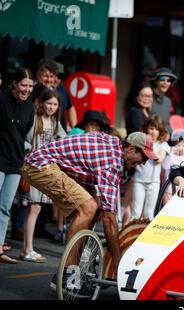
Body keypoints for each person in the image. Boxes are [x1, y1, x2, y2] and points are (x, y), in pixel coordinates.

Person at [21, 131, 158, 285]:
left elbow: (85, 167)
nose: (144, 163)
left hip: (42, 164)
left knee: (91, 209)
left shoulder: (113, 145)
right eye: (144, 157)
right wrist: (118, 260)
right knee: (89, 208)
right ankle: (68, 275)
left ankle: (73, 271)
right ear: (131, 149)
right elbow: (109, 219)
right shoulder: (113, 162)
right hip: (41, 165)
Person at [20, 89, 66, 262]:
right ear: (41, 103)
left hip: (45, 169)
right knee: (35, 207)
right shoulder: (35, 119)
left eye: (55, 104)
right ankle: (28, 249)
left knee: (35, 208)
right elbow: (24, 139)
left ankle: (26, 248)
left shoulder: (55, 123)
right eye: (49, 103)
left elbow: (64, 139)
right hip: (33, 167)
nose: (52, 107)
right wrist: (30, 150)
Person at [0, 68, 35, 264]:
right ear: (14, 84)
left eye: (30, 86)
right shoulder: (2, 99)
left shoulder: (29, 108)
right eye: (24, 85)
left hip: (15, 163)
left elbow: (24, 135)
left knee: (5, 207)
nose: (27, 89)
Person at [131, 115, 170, 220]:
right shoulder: (140, 143)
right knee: (136, 212)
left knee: (149, 213)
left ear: (160, 131)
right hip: (139, 181)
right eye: (151, 128)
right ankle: (131, 235)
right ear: (146, 129)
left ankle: (146, 235)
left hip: (154, 183)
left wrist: (148, 149)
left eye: (157, 129)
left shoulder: (163, 144)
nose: (153, 132)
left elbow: (159, 159)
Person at [161, 131, 184, 206]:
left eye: (183, 146)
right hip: (168, 189)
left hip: (182, 190)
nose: (180, 148)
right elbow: (165, 167)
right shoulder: (170, 156)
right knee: (168, 208)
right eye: (178, 145)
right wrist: (170, 153)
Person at [151, 67, 177, 133]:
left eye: (169, 80)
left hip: (164, 138)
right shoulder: (148, 97)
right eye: (162, 79)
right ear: (156, 81)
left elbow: (167, 124)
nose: (165, 82)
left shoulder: (168, 101)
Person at [54, 61, 77, 132]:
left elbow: (71, 107)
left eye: (59, 77)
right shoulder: (42, 90)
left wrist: (74, 129)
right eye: (54, 75)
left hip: (61, 132)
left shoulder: (62, 89)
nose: (56, 79)